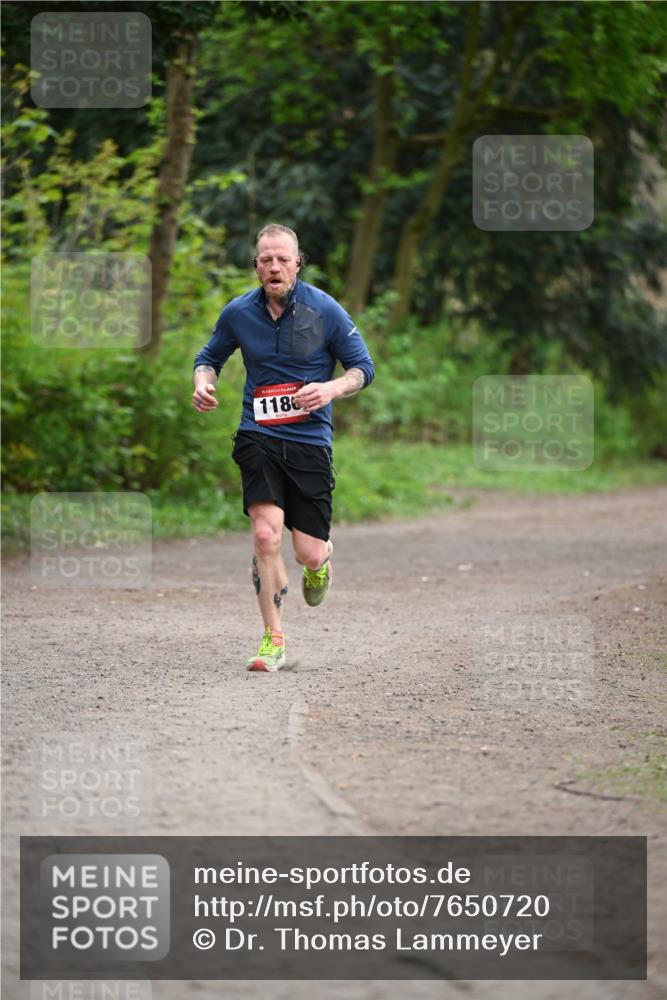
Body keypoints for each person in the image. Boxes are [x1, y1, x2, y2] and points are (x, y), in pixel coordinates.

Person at [192, 223, 375, 672]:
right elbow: (209, 358)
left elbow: (362, 367)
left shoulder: (325, 310)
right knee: (264, 534)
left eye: (282, 259)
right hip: (258, 435)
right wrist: (202, 383)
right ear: (256, 266)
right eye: (266, 260)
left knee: (307, 551)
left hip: (310, 441)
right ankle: (273, 640)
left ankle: (321, 562)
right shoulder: (238, 313)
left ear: (298, 263)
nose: (274, 267)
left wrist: (331, 389)